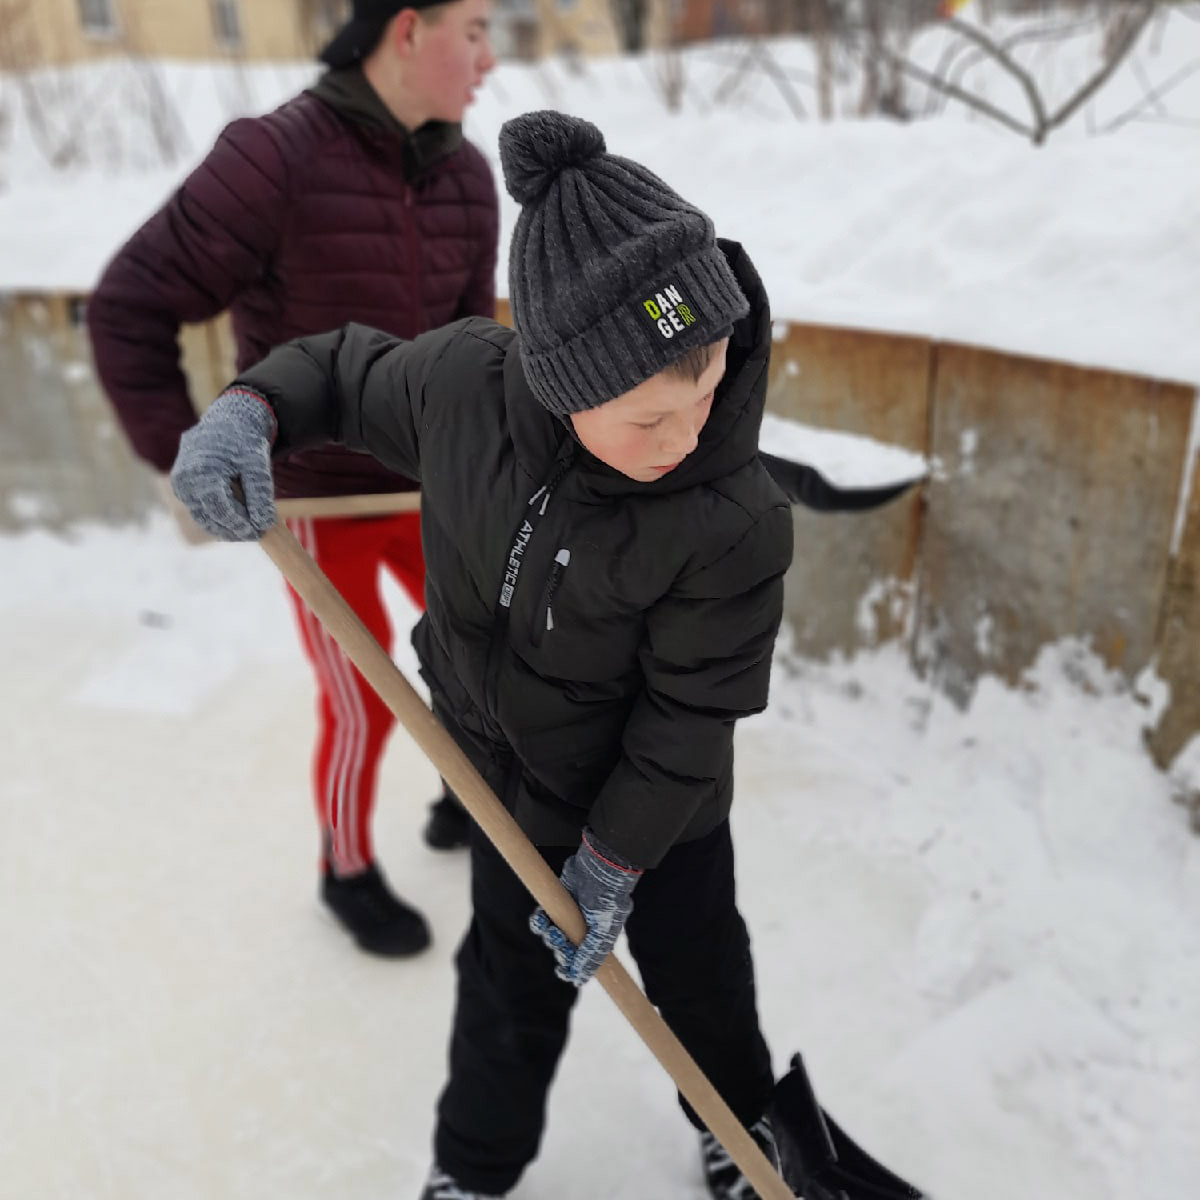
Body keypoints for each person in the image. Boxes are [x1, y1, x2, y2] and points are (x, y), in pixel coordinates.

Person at [170, 110, 794, 1200]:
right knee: (506, 991)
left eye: (707, 389)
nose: (690, 433)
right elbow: (341, 368)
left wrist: (614, 860)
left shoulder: (729, 517)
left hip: (663, 810)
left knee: (700, 979)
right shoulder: (463, 388)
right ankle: (471, 1171)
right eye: (651, 415)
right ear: (560, 383)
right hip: (509, 794)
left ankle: (741, 1132)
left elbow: (690, 717)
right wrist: (252, 407)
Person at [87, 0, 499, 958]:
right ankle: (343, 868)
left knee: (485, 655)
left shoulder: (471, 179)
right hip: (315, 496)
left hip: (423, 486)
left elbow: (470, 350)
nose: (488, 59)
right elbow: (126, 309)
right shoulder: (274, 160)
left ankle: (459, 790)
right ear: (407, 30)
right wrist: (183, 449)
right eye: (474, 30)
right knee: (362, 693)